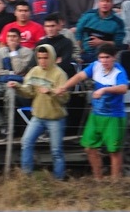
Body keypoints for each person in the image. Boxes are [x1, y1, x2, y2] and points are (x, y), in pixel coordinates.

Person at [55, 43, 128, 180]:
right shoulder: (95, 66)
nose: (104, 61)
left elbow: (123, 88)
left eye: (107, 57)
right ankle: (98, 178)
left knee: (114, 151)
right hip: (96, 115)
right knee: (89, 147)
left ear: (114, 58)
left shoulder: (119, 71)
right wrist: (63, 87)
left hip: (114, 116)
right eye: (102, 57)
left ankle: (115, 182)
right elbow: (79, 77)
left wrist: (105, 89)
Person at [7, 44, 69, 180]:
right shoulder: (34, 71)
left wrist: (51, 92)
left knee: (56, 151)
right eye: (40, 58)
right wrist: (17, 86)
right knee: (26, 142)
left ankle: (58, 180)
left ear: (51, 57)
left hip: (56, 118)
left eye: (45, 58)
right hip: (38, 117)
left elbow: (65, 98)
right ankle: (26, 176)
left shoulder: (60, 74)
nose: (42, 61)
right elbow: (28, 92)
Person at [0, 28, 33, 138]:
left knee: (10, 94)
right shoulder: (0, 52)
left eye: (14, 36)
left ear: (19, 39)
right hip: (1, 84)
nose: (11, 39)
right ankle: (1, 124)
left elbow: (19, 69)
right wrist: (12, 73)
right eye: (9, 36)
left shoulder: (27, 52)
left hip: (18, 85)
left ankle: (9, 129)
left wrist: (14, 52)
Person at [76, 0, 126, 65]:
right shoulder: (88, 15)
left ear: (112, 3)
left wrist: (101, 42)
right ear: (98, 3)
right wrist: (78, 50)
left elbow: (118, 44)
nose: (104, 4)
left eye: (107, 1)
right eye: (102, 1)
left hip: (105, 57)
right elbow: (78, 33)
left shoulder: (118, 22)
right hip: (84, 54)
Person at [29, 12, 76, 78]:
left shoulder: (66, 42)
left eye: (52, 26)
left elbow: (64, 64)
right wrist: (54, 61)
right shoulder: (40, 43)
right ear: (44, 28)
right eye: (47, 26)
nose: (50, 29)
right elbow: (33, 64)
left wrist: (44, 63)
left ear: (58, 27)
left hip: (59, 77)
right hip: (41, 77)